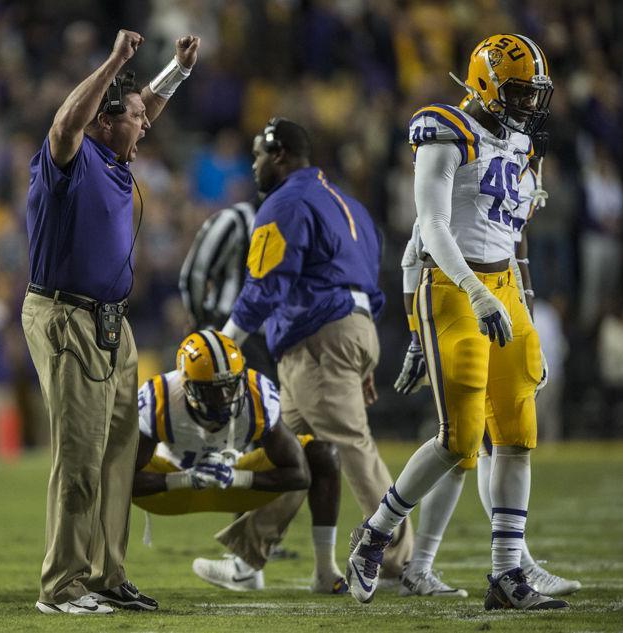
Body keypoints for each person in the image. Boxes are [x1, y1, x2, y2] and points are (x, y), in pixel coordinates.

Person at [347, 33, 570, 610]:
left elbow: (512, 236)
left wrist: (521, 299)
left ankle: (506, 575)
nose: (529, 104)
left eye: (534, 93)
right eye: (518, 92)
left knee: (518, 433)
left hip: (504, 289)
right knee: (460, 441)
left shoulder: (518, 142)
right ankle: (375, 536)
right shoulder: (446, 132)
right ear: (486, 83)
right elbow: (432, 229)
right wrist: (473, 295)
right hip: (452, 286)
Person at [22, 29, 200, 615]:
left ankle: (105, 575)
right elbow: (67, 121)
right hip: (65, 317)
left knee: (119, 455)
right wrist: (114, 61)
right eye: (133, 118)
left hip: (110, 323)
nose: (146, 125)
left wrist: (174, 71)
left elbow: (139, 104)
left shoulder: (113, 148)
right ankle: (61, 586)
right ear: (102, 119)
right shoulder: (71, 155)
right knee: (78, 457)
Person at [221, 117, 413, 578]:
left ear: (280, 154)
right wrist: (359, 352)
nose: (254, 165)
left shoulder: (286, 203)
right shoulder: (349, 205)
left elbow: (266, 284)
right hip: (350, 330)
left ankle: (400, 558)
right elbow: (369, 282)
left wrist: (224, 341)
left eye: (258, 155)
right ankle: (248, 555)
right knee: (289, 453)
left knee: (351, 446)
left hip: (317, 338)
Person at [393, 136, 581, 599]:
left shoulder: (511, 178)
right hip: (454, 310)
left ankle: (445, 564)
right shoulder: (465, 173)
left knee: (484, 446)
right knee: (467, 445)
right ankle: (508, 565)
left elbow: (515, 254)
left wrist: (527, 328)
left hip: (496, 313)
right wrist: (419, 337)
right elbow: (415, 255)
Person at [132, 330, 346, 594]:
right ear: (186, 385)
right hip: (169, 489)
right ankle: (104, 576)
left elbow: (299, 473)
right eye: (212, 391)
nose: (224, 398)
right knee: (105, 469)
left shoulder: (256, 393)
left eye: (230, 385)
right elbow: (124, 479)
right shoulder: (159, 397)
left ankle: (325, 571)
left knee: (323, 455)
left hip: (235, 485)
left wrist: (237, 477)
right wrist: (183, 479)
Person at [179, 198, 277, 381]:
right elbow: (196, 273)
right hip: (234, 331)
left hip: (267, 339)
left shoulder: (236, 218)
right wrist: (201, 318)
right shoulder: (237, 218)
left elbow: (195, 274)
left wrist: (198, 316)